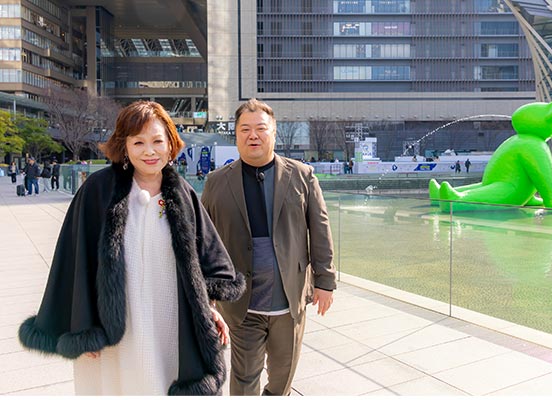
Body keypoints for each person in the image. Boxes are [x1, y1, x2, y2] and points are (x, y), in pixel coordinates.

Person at [18, 101, 245, 395]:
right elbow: (74, 263)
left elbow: (205, 262)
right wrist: (82, 327)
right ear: (124, 145)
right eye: (138, 142)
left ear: (171, 144)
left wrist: (208, 309)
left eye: (157, 141)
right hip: (114, 333)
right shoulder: (98, 191)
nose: (149, 151)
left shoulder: (183, 194)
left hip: (169, 326)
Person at [201, 98, 336, 396]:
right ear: (236, 135)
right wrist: (206, 297)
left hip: (289, 300)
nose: (253, 135)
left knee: (282, 378)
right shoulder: (216, 182)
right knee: (244, 378)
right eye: (245, 129)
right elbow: (203, 242)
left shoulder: (302, 175)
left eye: (261, 128)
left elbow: (320, 230)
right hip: (241, 305)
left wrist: (325, 282)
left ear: (274, 132)